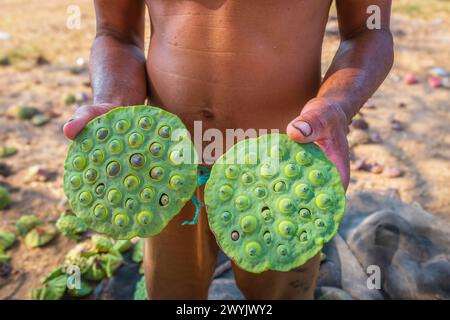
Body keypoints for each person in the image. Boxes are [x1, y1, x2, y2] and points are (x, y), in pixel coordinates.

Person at [63, 0, 393, 299]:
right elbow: (116, 34)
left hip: (283, 178)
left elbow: (368, 32)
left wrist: (336, 107)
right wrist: (114, 106)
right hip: (162, 172)